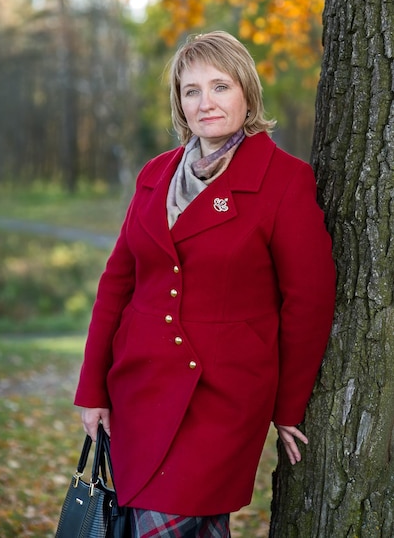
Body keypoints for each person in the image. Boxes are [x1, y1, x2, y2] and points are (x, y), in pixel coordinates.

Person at [74, 31, 336, 537]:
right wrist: (92, 389)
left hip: (218, 400)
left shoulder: (285, 180)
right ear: (179, 103)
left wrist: (288, 408)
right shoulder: (155, 174)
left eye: (220, 86)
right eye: (191, 90)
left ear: (247, 93)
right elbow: (116, 284)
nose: (205, 102)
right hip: (137, 392)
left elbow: (309, 302)